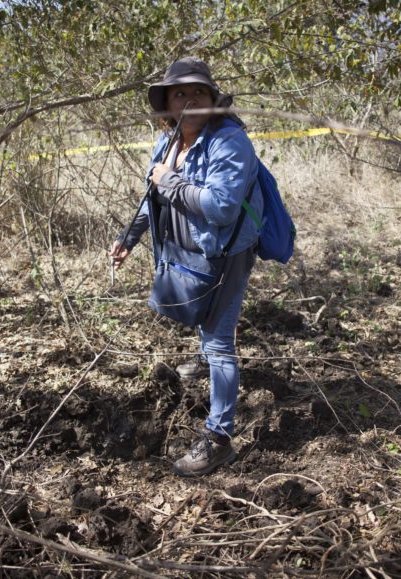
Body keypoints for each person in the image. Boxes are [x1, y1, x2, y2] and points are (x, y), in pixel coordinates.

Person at [109, 57, 263, 477]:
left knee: (219, 340)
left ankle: (219, 439)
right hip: (185, 251)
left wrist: (168, 181)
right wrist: (129, 237)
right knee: (201, 316)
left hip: (225, 252)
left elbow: (222, 207)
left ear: (213, 100)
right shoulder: (168, 142)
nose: (190, 99)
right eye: (181, 93)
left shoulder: (229, 141)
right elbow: (151, 198)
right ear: (168, 104)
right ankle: (206, 359)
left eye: (199, 92)